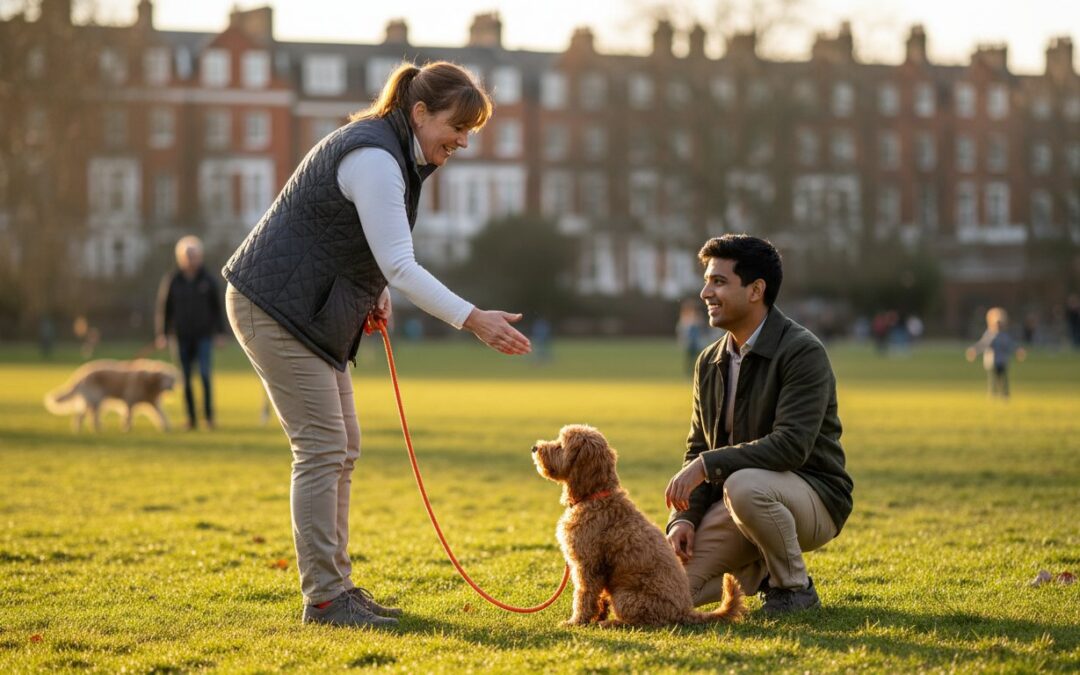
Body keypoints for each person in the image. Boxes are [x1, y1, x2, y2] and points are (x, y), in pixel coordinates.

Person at [221, 61, 531, 629]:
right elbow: (401, 261)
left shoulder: (396, 153)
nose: (462, 141)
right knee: (321, 448)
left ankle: (337, 587)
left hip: (307, 305)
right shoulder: (376, 157)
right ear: (419, 112)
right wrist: (474, 320)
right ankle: (325, 600)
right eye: (456, 127)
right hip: (276, 306)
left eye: (470, 131)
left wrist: (375, 289)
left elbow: (366, 247)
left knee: (344, 446)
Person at [663, 234, 853, 615]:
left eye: (718, 281)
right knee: (668, 594)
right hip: (737, 504)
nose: (705, 293)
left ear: (756, 290)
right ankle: (761, 569)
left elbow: (791, 446)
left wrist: (707, 466)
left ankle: (794, 589)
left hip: (813, 497)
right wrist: (683, 518)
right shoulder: (708, 361)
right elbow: (698, 446)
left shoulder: (802, 351)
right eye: (706, 281)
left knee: (744, 485)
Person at [155, 236, 225, 430]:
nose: (191, 259)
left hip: (203, 335)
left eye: (194, 255)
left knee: (204, 375)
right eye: (188, 255)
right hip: (181, 336)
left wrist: (219, 333)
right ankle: (191, 419)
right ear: (180, 258)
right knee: (185, 379)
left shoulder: (209, 280)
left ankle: (209, 418)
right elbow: (165, 309)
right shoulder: (173, 280)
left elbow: (217, 308)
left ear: (200, 256)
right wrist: (163, 333)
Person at [966, 307, 1026, 398]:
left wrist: (1018, 351)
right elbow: (983, 344)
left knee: (1004, 379)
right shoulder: (990, 335)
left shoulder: (1005, 335)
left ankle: (1005, 394)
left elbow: (1011, 345)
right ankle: (992, 394)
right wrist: (974, 350)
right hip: (992, 361)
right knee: (993, 379)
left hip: (1002, 361)